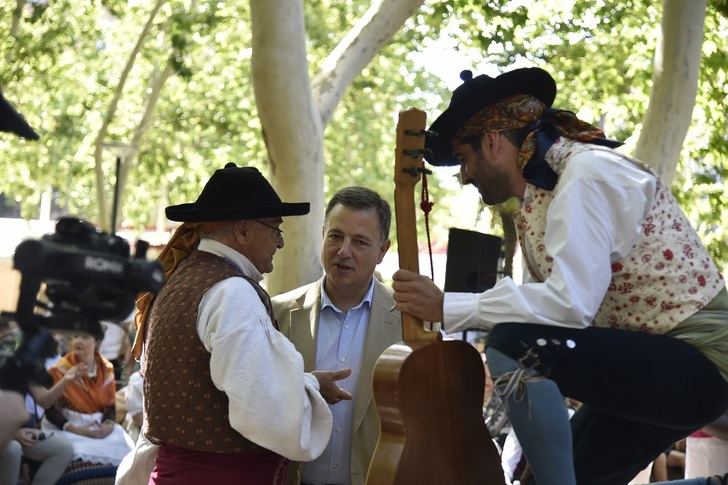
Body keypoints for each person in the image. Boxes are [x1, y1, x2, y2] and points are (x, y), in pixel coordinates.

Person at [391, 67, 728, 485]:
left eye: (464, 157)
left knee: (514, 344)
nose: (464, 175)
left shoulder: (584, 176)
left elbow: (569, 306)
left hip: (700, 362)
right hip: (659, 359)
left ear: (493, 140)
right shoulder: (543, 200)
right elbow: (552, 309)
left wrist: (449, 306)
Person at [123, 163, 351, 484]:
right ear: (243, 232)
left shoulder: (177, 281)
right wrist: (312, 388)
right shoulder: (231, 292)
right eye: (275, 229)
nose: (280, 243)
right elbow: (263, 408)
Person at [272, 186, 402, 485]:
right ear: (322, 235)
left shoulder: (409, 323)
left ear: (382, 250)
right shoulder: (277, 313)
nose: (344, 251)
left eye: (359, 242)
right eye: (335, 236)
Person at [44, 331, 134, 467]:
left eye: (85, 337)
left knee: (126, 450)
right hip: (66, 426)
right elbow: (50, 411)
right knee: (75, 455)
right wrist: (78, 430)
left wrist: (108, 425)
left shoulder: (106, 368)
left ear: (97, 342)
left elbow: (110, 406)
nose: (78, 341)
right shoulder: (58, 370)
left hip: (97, 424)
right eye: (75, 336)